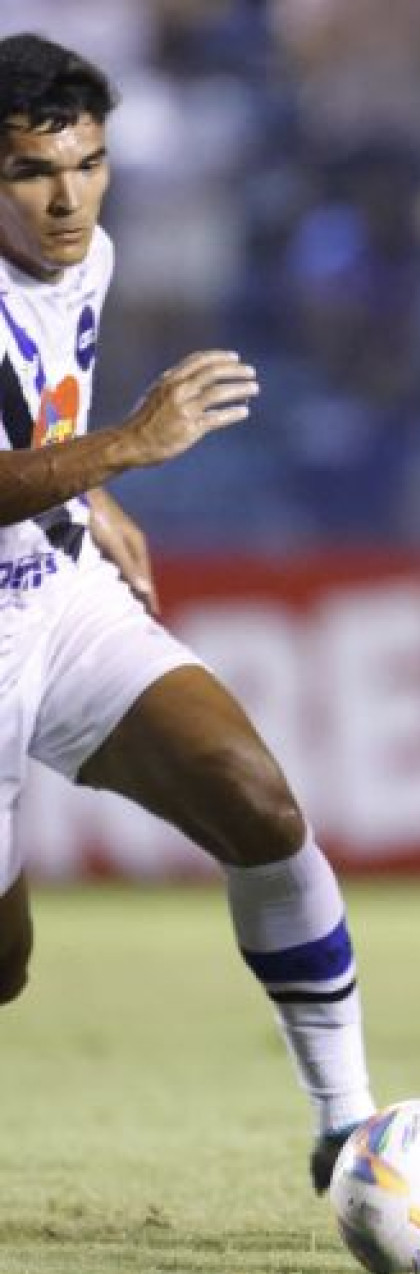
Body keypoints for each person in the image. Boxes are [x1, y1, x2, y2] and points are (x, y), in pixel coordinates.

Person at [0, 33, 374, 1189]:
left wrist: (91, 486)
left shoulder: (90, 255)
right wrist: (125, 446)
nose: (67, 197)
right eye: (29, 172)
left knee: (260, 807)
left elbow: (29, 415)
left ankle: (349, 1129)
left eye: (88, 162)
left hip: (55, 599)